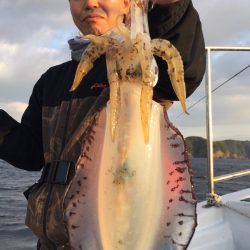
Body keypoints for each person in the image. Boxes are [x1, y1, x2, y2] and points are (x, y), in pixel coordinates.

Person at [0, 0, 206, 249]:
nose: (89, 3)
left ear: (127, 4)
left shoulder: (144, 70)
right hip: (51, 241)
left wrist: (170, 5)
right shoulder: (52, 80)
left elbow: (182, 59)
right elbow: (30, 153)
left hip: (123, 228)